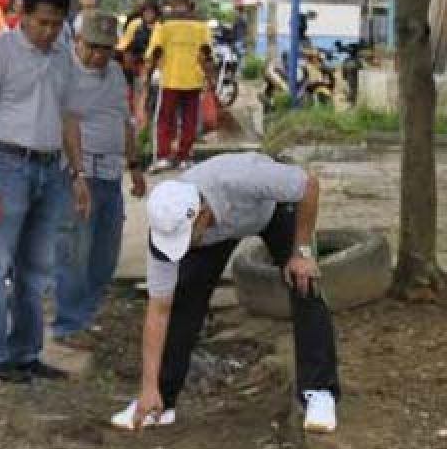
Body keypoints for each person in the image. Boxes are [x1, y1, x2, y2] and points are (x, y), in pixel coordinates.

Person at [111, 152, 340, 433]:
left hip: (270, 209)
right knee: (183, 298)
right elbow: (158, 310)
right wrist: (147, 386)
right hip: (216, 233)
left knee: (304, 282)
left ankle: (319, 392)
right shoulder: (166, 227)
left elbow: (309, 186)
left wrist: (302, 252)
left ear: (203, 214)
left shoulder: (242, 178)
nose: (179, 248)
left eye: (183, 238)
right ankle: (160, 401)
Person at [0, 0, 91, 383]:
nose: (49, 31)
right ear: (23, 14)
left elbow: (70, 116)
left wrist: (78, 173)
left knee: (37, 268)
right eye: (42, 23)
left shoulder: (63, 57)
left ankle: (25, 352)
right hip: (7, 165)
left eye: (56, 24)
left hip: (51, 169)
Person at [52, 11, 147, 345]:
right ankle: (69, 324)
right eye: (92, 47)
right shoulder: (64, 72)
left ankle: (86, 315)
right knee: (76, 250)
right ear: (78, 41)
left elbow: (125, 122)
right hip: (80, 172)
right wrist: (77, 174)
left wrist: (135, 165)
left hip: (111, 172)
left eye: (106, 48)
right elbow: (68, 124)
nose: (99, 55)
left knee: (105, 254)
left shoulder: (116, 75)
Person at [143, 0, 212, 172]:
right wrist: (209, 78)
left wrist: (148, 75)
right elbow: (206, 54)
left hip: (170, 79)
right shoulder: (200, 24)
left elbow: (155, 51)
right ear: (190, 4)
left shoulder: (164, 23)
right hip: (193, 79)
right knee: (189, 120)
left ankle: (163, 157)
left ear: (172, 4)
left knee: (165, 119)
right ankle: (184, 157)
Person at [118, 0, 160, 112]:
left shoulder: (160, 27)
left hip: (155, 62)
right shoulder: (135, 24)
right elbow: (125, 42)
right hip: (137, 61)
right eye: (146, 11)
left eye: (151, 12)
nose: (148, 14)